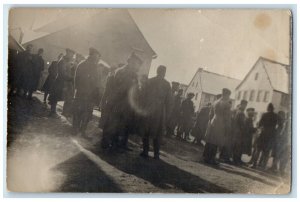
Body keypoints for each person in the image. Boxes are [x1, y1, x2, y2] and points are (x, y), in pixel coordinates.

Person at [100, 53, 142, 151]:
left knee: (122, 125)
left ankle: (118, 145)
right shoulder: (122, 72)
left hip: (126, 105)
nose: (138, 67)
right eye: (136, 64)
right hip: (118, 103)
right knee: (113, 124)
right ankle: (106, 144)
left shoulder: (133, 74)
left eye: (138, 65)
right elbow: (117, 89)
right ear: (130, 62)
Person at [140, 65, 172, 160]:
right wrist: (167, 114)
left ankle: (145, 152)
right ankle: (156, 154)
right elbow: (169, 101)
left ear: (157, 71)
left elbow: (143, 96)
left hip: (148, 109)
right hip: (160, 111)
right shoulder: (166, 84)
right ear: (164, 72)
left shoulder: (150, 81)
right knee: (158, 133)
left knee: (146, 130)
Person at [73, 48, 101, 136]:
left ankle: (81, 131)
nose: (97, 58)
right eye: (96, 56)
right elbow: (77, 80)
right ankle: (76, 130)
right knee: (79, 112)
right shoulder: (83, 65)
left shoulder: (94, 66)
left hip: (89, 95)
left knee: (86, 113)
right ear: (91, 55)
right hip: (83, 93)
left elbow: (97, 81)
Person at [203, 88, 232, 165]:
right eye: (229, 95)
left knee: (210, 140)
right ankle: (211, 159)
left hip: (213, 121)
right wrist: (228, 126)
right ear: (227, 95)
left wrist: (211, 121)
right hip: (221, 123)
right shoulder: (227, 104)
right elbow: (227, 117)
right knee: (216, 141)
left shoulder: (215, 102)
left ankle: (206, 157)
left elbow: (210, 114)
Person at [48, 48, 76, 117]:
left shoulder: (67, 62)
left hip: (63, 82)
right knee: (55, 97)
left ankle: (54, 112)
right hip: (60, 81)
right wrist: (71, 78)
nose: (72, 56)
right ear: (67, 53)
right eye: (71, 54)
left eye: (73, 55)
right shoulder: (62, 61)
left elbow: (67, 72)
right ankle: (52, 112)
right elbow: (62, 73)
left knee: (57, 97)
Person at [251, 103, 278, 169]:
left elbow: (260, 124)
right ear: (273, 109)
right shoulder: (276, 116)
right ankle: (263, 166)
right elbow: (280, 125)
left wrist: (259, 128)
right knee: (266, 151)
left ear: (268, 108)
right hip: (271, 135)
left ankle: (254, 164)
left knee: (258, 150)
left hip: (263, 134)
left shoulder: (264, 115)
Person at [232, 99, 248, 165]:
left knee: (238, 146)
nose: (245, 106)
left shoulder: (239, 111)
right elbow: (241, 123)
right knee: (238, 146)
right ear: (242, 104)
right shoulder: (240, 112)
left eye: (246, 105)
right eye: (244, 105)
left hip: (238, 131)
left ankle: (237, 159)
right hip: (239, 131)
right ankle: (236, 160)